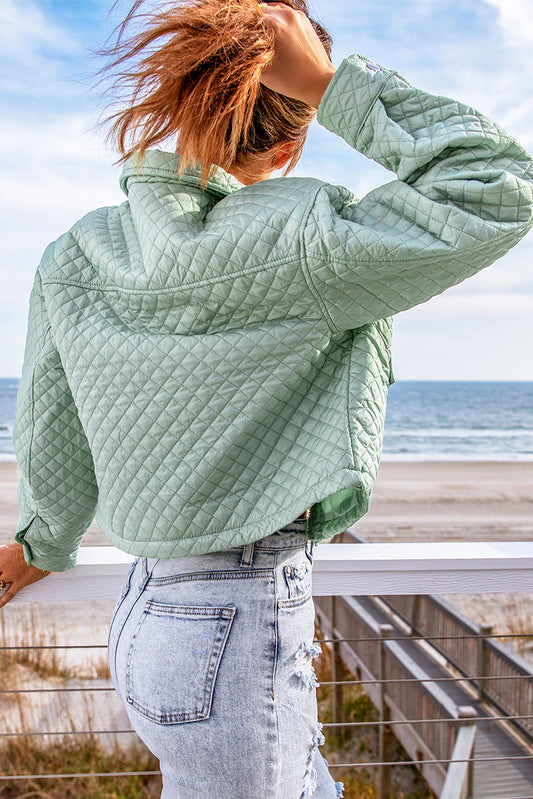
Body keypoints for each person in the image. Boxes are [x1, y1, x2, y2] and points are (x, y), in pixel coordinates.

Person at [1, 0, 532, 796]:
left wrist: (38, 542)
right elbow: (496, 186)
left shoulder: (76, 252)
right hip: (239, 613)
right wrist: (331, 84)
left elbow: (54, 426)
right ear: (291, 143)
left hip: (147, 613)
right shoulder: (304, 241)